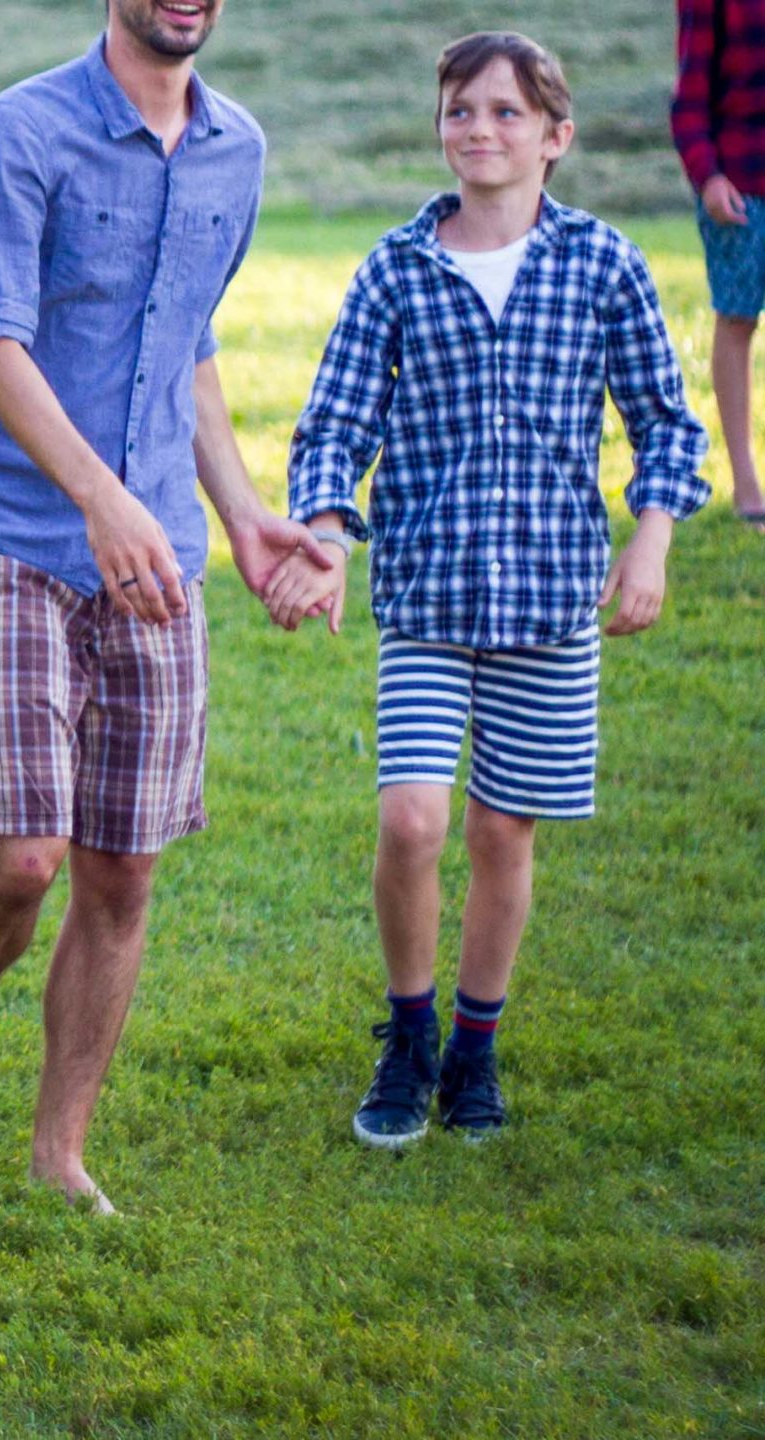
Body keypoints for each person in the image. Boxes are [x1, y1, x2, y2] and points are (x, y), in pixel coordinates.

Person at [0, 0, 331, 1211]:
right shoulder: (25, 132)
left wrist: (237, 513)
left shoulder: (238, 149)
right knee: (26, 857)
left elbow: (185, 346)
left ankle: (57, 1149)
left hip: (159, 547)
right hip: (10, 531)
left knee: (123, 872)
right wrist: (100, 498)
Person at [274, 33, 711, 1146]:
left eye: (507, 113)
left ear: (556, 137)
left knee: (501, 836)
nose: (480, 129)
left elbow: (665, 424)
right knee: (413, 820)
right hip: (424, 596)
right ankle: (408, 1033)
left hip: (552, 603)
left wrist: (648, 545)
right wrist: (323, 532)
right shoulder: (394, 266)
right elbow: (334, 422)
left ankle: (474, 1047)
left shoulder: (602, 264)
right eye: (461, 110)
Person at [675, 0, 765, 531]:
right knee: (737, 320)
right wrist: (707, 177)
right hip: (742, 190)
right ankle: (747, 482)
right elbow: (688, 99)